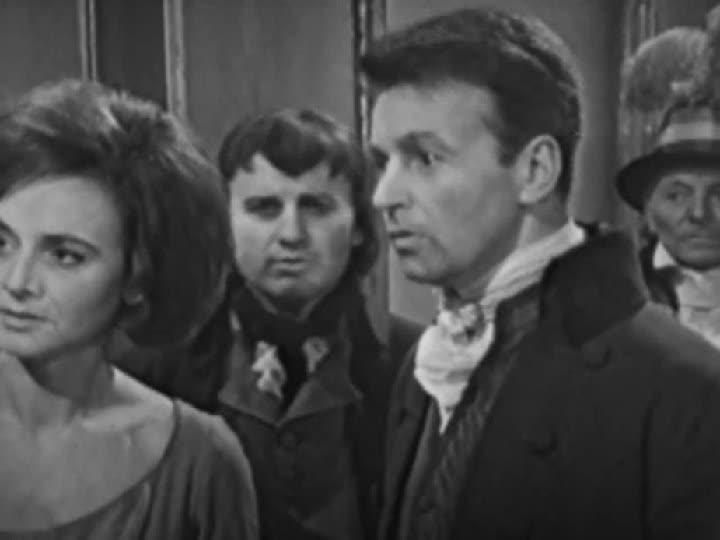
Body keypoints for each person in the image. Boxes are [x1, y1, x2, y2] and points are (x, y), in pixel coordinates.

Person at [361, 7, 720, 540]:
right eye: (383, 162)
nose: (384, 195)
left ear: (535, 170)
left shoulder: (686, 388)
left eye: (426, 158)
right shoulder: (426, 362)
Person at [121, 108, 420, 540]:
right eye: (263, 208)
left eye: (316, 207)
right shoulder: (151, 366)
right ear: (224, 223)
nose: (291, 234)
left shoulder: (416, 364)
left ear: (358, 225)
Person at [0, 79, 258, 539]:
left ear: (138, 277)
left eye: (64, 255)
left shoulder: (201, 464)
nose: (16, 282)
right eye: (1, 243)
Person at [618, 6, 720, 348]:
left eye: (719, 194)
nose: (698, 213)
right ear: (648, 209)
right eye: (676, 195)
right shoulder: (605, 298)